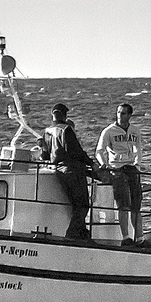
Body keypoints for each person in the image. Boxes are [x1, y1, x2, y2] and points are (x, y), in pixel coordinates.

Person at [42, 102, 94, 240]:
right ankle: (72, 236)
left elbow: (45, 155)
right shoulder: (66, 129)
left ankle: (83, 234)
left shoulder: (47, 131)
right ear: (65, 115)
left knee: (75, 205)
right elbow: (76, 152)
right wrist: (92, 164)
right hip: (72, 170)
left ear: (52, 115)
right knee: (83, 205)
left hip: (58, 171)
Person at [96, 102, 144, 245]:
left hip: (131, 168)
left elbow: (138, 148)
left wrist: (137, 164)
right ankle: (126, 237)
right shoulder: (109, 131)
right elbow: (99, 151)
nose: (119, 115)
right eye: (118, 112)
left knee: (136, 205)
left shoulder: (135, 130)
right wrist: (104, 164)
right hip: (116, 168)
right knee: (123, 204)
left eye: (123, 113)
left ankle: (140, 238)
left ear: (129, 115)